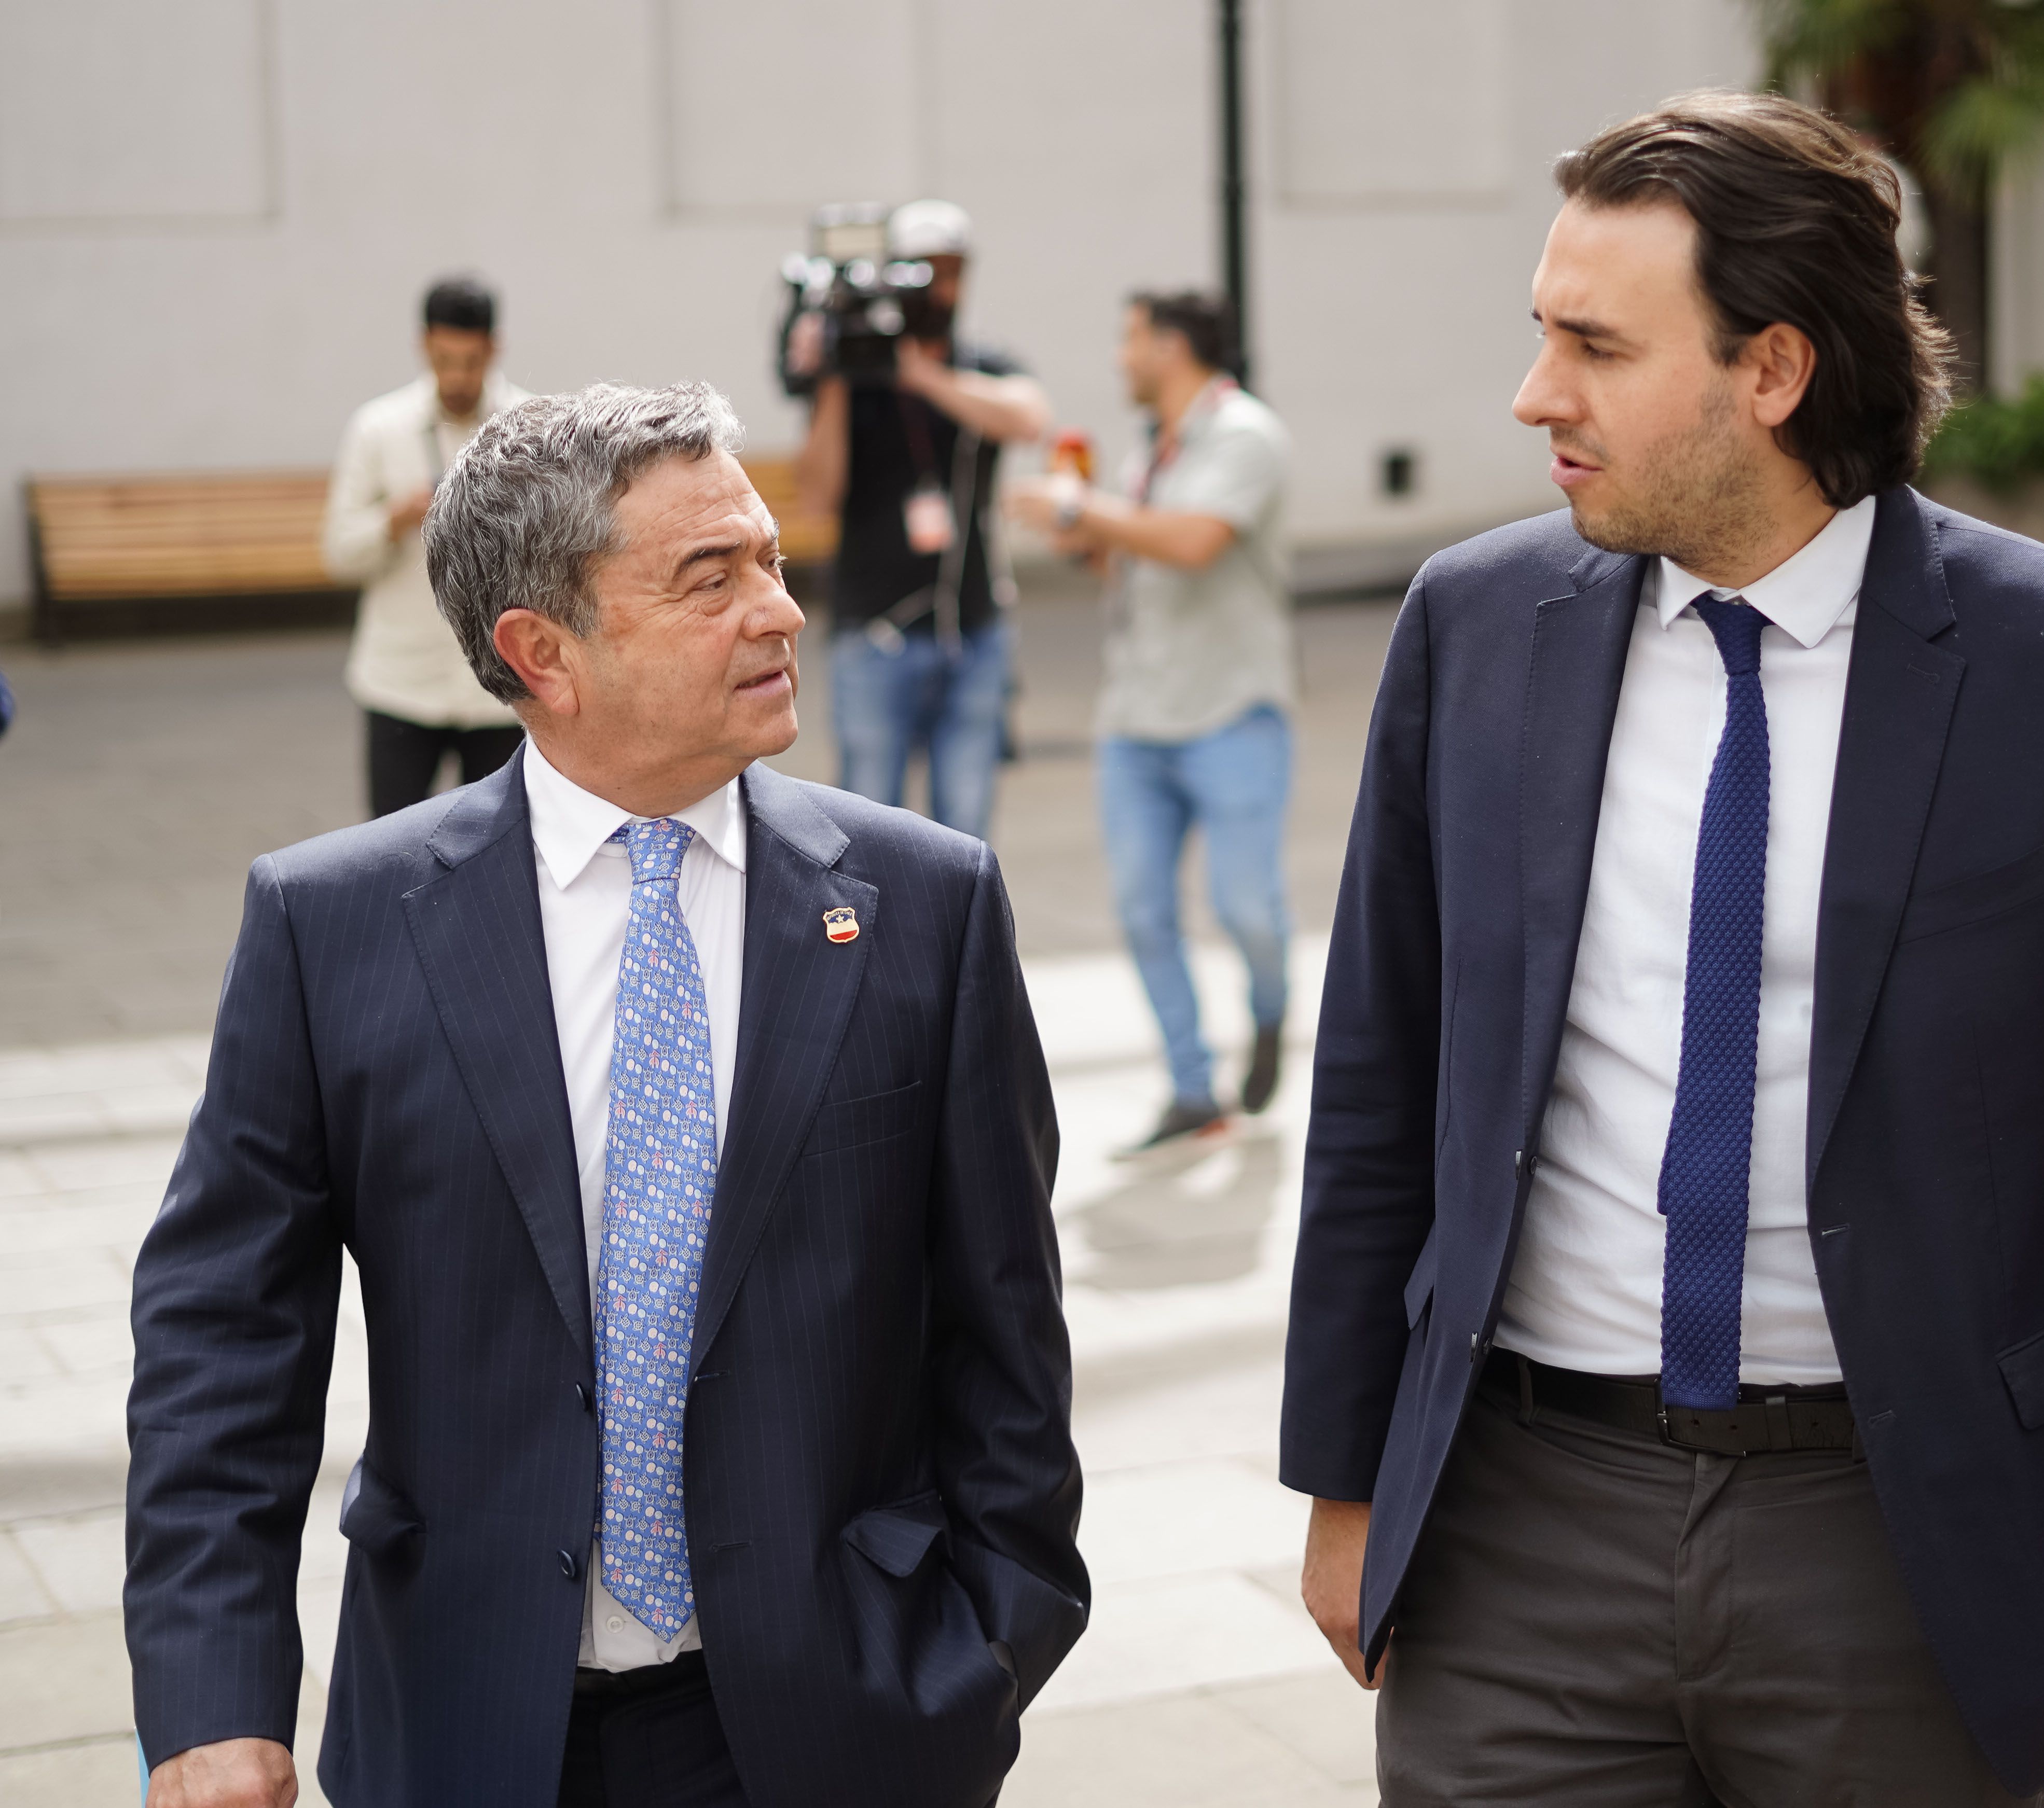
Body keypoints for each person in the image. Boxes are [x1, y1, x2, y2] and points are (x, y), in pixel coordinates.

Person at [1282, 92, 2044, 1808]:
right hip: (1519, 1529)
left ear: (1769, 372)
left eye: (1593, 347)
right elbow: (1377, 1079)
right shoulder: (1471, 628)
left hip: (1912, 1541)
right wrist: (1342, 1474)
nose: (1536, 394)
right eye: (1539, 335)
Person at [127, 382, 1086, 1808]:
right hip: (461, 1720)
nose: (781, 610)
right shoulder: (334, 926)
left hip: (841, 1723)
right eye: (713, 577)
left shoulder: (923, 906)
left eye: (767, 557)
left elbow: (1003, 1330)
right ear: (541, 651)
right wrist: (212, 1699)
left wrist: (981, 1654)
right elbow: (224, 1344)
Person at [1010, 291, 1294, 1154]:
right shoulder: (1149, 448)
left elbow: (1193, 543)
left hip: (1230, 711)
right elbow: (1133, 562)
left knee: (1245, 906)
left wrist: (1075, 509)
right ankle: (1189, 1087)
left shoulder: (1246, 434)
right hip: (1136, 716)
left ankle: (1273, 1012)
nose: (1119, 357)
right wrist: (1093, 534)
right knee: (1142, 911)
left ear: (1171, 347)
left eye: (1129, 340)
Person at [794, 200, 1050, 840]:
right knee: (867, 824)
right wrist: (835, 377)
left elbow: (1029, 417)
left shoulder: (982, 364)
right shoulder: (856, 380)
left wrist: (921, 374)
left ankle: (954, 942)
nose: (940, 287)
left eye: (951, 271)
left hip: (974, 630)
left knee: (965, 825)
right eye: (925, 271)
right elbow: (818, 494)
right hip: (874, 634)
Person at [323, 275, 528, 817]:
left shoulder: (531, 427)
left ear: (494, 348)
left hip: (499, 688)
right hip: (400, 684)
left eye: (471, 360)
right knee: (390, 852)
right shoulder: (378, 429)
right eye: (444, 359)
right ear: (424, 346)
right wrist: (394, 520)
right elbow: (339, 554)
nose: (457, 376)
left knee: (502, 855)